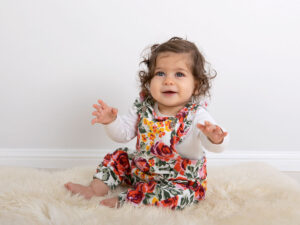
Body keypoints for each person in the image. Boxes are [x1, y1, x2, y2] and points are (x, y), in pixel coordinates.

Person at [64, 37, 229, 210]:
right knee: (120, 156)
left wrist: (215, 138)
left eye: (179, 74)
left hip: (179, 180)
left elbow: (216, 145)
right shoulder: (143, 106)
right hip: (141, 171)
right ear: (149, 81)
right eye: (160, 73)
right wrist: (112, 121)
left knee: (179, 195)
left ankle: (129, 200)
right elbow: (123, 134)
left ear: (196, 85)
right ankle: (95, 189)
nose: (168, 81)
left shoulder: (197, 115)